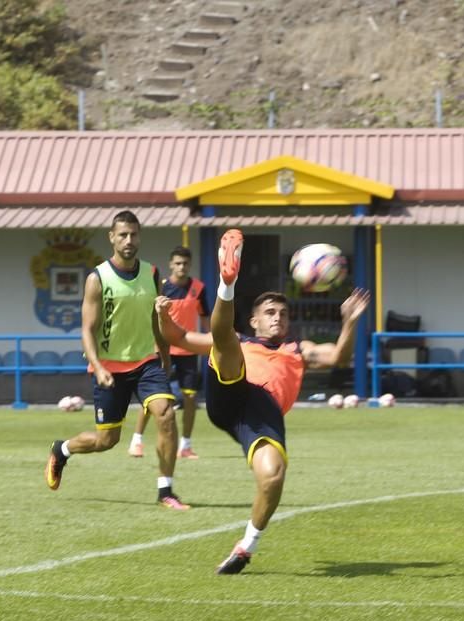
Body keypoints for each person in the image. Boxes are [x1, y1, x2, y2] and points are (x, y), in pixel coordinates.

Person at [155, 228, 370, 573]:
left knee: (272, 477)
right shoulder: (242, 338)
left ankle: (246, 547)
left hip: (260, 412)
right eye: (270, 312)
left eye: (283, 314)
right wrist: (164, 316)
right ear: (255, 320)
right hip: (231, 388)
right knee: (224, 342)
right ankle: (229, 281)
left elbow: (339, 358)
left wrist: (349, 323)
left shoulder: (298, 350)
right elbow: (177, 337)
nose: (277, 318)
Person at [44, 210, 190, 510]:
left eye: (133, 234)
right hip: (109, 368)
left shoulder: (151, 274)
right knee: (106, 440)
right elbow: (87, 329)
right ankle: (63, 449)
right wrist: (97, 366)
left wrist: (164, 356)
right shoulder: (98, 279)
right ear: (111, 237)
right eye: (122, 234)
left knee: (165, 413)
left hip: (146, 362)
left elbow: (155, 321)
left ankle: (166, 491)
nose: (128, 240)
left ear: (140, 237)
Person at [127, 245, 211, 460]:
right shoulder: (162, 288)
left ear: (190, 265)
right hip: (162, 349)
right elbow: (151, 319)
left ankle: (186, 445)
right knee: (152, 396)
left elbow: (206, 319)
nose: (181, 267)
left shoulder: (199, 289)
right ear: (170, 265)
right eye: (177, 263)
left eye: (185, 263)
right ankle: (136, 440)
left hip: (189, 350)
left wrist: (212, 343)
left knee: (190, 398)